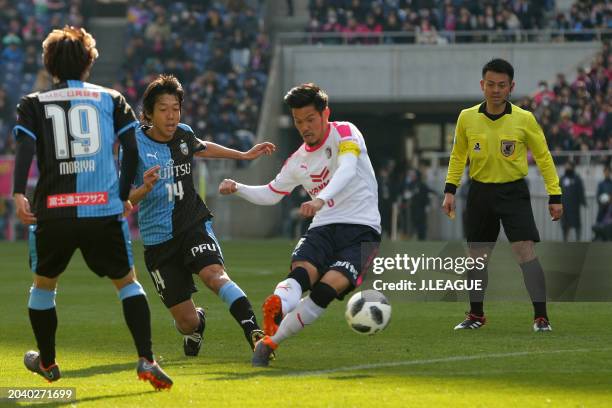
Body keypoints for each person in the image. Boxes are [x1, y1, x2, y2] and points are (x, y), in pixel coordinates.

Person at [12, 26, 172, 389]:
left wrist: (19, 193)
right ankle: (146, 359)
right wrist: (120, 195)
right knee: (128, 284)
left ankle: (48, 364)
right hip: (102, 210)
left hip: (54, 211)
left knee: (43, 287)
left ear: (49, 62)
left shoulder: (33, 102)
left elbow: (24, 149)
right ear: (88, 62)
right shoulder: (111, 99)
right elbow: (131, 149)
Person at [219, 83, 381, 366]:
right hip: (323, 227)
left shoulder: (345, 132)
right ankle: (277, 308)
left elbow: (347, 168)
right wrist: (238, 187)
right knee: (300, 275)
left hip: (362, 229)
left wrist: (321, 199)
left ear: (325, 114)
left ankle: (270, 342)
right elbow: (272, 193)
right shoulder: (298, 161)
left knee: (323, 291)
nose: (304, 127)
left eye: (310, 119)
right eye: (297, 121)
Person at [129, 75, 275, 357]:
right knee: (185, 323)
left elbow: (202, 146)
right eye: (163, 109)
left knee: (214, 275)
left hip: (192, 224)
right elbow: (124, 200)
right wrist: (143, 189)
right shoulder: (133, 145)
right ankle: (198, 324)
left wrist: (244, 156)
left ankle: (256, 334)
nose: (171, 115)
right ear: (148, 113)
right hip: (158, 241)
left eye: (176, 108)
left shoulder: (183, 134)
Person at [442, 58, 563, 333]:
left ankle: (541, 317)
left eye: (502, 85)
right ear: (482, 85)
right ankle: (476, 315)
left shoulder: (524, 119)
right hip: (480, 192)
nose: (496, 90)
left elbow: (543, 157)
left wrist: (555, 194)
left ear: (511, 87)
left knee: (524, 252)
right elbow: (458, 154)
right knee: (477, 257)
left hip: (513, 192)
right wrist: (450, 190)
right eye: (491, 84)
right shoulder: (467, 117)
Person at [559, 161, 585, 241]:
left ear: (573, 167)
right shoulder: (562, 178)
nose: (567, 168)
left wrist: (583, 201)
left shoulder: (577, 178)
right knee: (565, 225)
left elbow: (581, 190)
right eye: (566, 166)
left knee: (576, 224)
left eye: (568, 166)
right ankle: (565, 240)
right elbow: (558, 190)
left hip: (574, 206)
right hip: (564, 206)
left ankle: (578, 240)